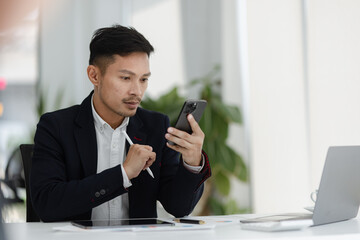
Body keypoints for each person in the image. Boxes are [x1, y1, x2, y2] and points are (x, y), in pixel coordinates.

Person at [30, 25, 211, 222]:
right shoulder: (56, 127)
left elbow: (178, 207)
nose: (137, 91)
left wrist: (192, 163)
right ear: (94, 75)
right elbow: (47, 204)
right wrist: (123, 173)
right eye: (126, 78)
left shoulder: (156, 126)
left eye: (143, 79)